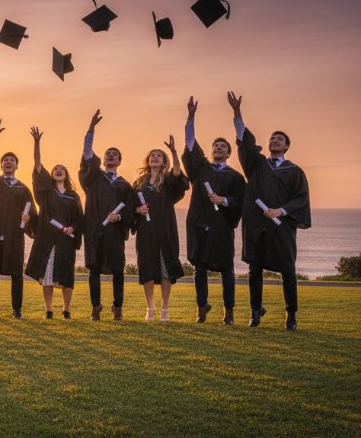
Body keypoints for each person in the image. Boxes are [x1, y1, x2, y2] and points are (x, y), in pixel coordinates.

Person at [227, 91, 311, 330]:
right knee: (255, 270)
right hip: (257, 224)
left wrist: (281, 211)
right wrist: (237, 112)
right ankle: (255, 312)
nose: (274, 141)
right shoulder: (257, 165)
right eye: (272, 138)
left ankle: (291, 314)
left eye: (279, 139)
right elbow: (244, 140)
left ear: (286, 147)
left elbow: (301, 199)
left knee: (288, 271)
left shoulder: (295, 171)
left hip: (282, 226)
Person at [182, 97, 246, 325]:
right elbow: (190, 145)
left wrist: (224, 200)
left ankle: (229, 312)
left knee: (226, 271)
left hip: (222, 227)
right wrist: (191, 116)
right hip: (200, 223)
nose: (218, 148)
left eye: (223, 147)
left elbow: (242, 201)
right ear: (211, 152)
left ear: (229, 154)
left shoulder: (236, 177)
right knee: (199, 269)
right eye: (216, 146)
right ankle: (202, 308)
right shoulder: (201, 169)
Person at [0, 119, 36, 319]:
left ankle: (16, 309)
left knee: (16, 274)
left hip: (14, 235)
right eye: (5, 160)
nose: (8, 162)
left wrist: (27, 220)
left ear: (17, 166)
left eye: (12, 160)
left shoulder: (23, 188)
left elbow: (32, 213)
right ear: (1, 165)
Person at [79, 110, 134, 321]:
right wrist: (91, 129)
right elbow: (86, 154)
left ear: (119, 161)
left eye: (114, 154)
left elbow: (129, 210)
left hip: (115, 233)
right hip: (94, 229)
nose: (110, 155)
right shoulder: (94, 178)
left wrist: (119, 218)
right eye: (107, 154)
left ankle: (117, 307)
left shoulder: (125, 185)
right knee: (94, 269)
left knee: (118, 271)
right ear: (102, 161)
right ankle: (96, 306)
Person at [24, 127, 83, 319]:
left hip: (66, 239)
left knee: (66, 275)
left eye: (62, 169)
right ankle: (49, 309)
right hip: (48, 238)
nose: (58, 171)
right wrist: (36, 143)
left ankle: (66, 309)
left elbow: (78, 217)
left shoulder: (73, 196)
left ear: (66, 175)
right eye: (55, 169)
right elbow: (38, 165)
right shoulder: (46, 193)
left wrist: (73, 227)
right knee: (47, 274)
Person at [131, 137, 189, 322]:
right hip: (146, 230)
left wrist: (173, 152)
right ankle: (150, 308)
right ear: (148, 160)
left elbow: (179, 176)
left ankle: (165, 308)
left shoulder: (168, 180)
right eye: (152, 156)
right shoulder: (139, 182)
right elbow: (130, 205)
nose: (155, 158)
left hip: (165, 228)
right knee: (147, 267)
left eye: (159, 156)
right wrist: (137, 210)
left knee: (165, 268)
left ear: (164, 161)